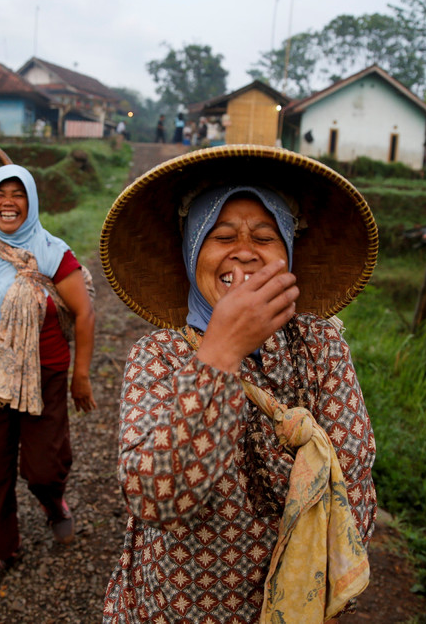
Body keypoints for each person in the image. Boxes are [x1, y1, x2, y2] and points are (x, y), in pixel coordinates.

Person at [98, 145, 378, 623]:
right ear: (191, 253)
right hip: (176, 605)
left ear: (288, 253)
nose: (244, 251)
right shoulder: (159, 357)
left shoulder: (319, 346)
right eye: (221, 235)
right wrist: (221, 352)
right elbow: (152, 495)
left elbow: (352, 482)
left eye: (265, 237)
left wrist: (331, 596)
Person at [0, 163, 96, 583]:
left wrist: (80, 374)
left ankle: (53, 502)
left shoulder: (52, 253)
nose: (7, 203)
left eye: (18, 195)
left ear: (31, 202)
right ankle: (3, 546)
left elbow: (83, 314)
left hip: (44, 370)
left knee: (44, 465)